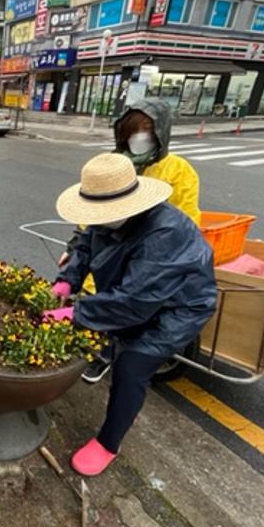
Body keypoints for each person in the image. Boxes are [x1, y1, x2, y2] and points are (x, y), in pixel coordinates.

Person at [46, 152, 216, 476]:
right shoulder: (106, 215)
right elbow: (84, 245)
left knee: (131, 366)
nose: (97, 218)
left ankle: (109, 442)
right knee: (110, 332)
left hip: (177, 307)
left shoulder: (165, 232)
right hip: (133, 292)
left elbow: (135, 301)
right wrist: (66, 284)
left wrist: (74, 313)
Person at [59, 98, 203, 384]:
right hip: (106, 260)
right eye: (133, 130)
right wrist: (74, 251)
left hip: (147, 261)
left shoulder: (178, 171)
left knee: (125, 312)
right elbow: (90, 220)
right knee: (100, 307)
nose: (139, 137)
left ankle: (115, 356)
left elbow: (186, 225)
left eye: (147, 130)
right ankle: (101, 354)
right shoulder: (114, 165)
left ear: (161, 132)